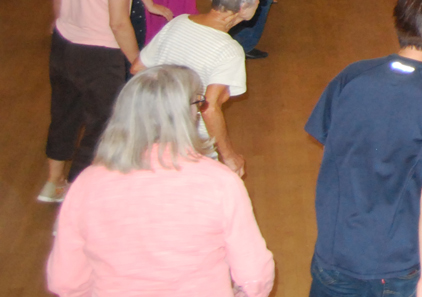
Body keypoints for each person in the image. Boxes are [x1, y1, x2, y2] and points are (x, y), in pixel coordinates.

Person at [45, 66, 276, 297]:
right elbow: (254, 274)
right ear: (185, 115)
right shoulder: (220, 182)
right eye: (198, 103)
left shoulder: (87, 184)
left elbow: (64, 281)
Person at [306, 0, 422, 297]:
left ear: (400, 21)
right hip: (395, 267)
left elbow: (335, 143)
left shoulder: (352, 75)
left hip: (334, 254)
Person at [38, 0, 147, 201]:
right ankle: (77, 194)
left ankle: (53, 182)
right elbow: (119, 23)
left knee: (64, 114)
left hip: (63, 45)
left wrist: (63, 25)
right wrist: (136, 61)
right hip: (98, 56)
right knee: (102, 125)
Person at [138, 0, 261, 177]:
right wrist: (229, 156)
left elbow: (138, 68)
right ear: (243, 6)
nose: (260, 1)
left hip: (150, 137)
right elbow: (209, 107)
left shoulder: (179, 22)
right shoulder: (229, 50)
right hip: (191, 149)